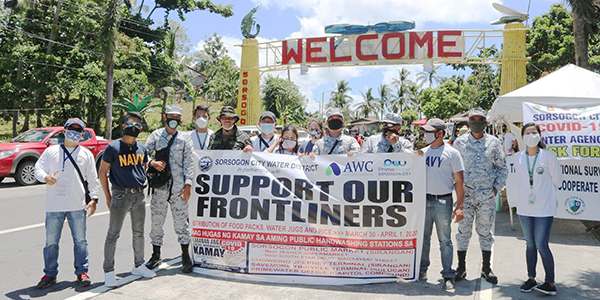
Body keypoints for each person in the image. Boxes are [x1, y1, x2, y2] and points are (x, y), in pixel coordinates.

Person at [34, 118, 100, 288]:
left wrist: (94, 199)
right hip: (54, 205)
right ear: (64, 131)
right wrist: (45, 177)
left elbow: (93, 179)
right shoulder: (51, 151)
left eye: (79, 130)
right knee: (51, 242)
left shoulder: (86, 154)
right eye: (71, 129)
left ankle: (82, 272)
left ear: (83, 134)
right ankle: (49, 274)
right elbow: (38, 169)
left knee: (80, 241)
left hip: (77, 205)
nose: (75, 133)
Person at [99, 112, 156, 287]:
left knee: (139, 232)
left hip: (139, 194)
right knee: (113, 234)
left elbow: (143, 168)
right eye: (130, 123)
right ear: (123, 126)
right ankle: (109, 271)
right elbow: (102, 173)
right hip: (120, 194)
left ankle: (139, 264)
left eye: (138, 124)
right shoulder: (113, 147)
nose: (134, 127)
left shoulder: (142, 148)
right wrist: (108, 197)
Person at [452, 108, 507, 284]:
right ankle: (461, 268)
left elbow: (502, 168)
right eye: (473, 119)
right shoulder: (459, 143)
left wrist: (495, 190)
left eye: (480, 119)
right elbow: (453, 169)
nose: (476, 121)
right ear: (468, 123)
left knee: (485, 232)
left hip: (486, 196)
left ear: (485, 122)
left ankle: (486, 268)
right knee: (463, 232)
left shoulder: (494, 142)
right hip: (465, 196)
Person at [144, 104, 195, 273]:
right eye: (171, 117)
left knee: (181, 223)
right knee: (157, 222)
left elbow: (189, 162)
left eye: (177, 118)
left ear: (180, 120)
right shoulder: (156, 135)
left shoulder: (185, 138)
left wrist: (188, 185)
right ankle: (155, 254)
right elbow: (142, 154)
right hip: (159, 187)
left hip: (179, 188)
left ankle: (185, 256)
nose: (174, 120)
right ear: (165, 117)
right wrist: (151, 162)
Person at [515, 123, 561, 296]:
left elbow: (557, 180)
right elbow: (521, 180)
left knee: (542, 244)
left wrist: (544, 194)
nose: (531, 135)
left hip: (544, 209)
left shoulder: (548, 157)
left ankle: (550, 282)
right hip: (525, 208)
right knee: (530, 244)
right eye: (527, 133)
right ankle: (531, 278)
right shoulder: (518, 157)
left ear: (540, 135)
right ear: (522, 137)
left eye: (534, 133)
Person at [418, 118, 465, 290]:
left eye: (430, 131)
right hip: (424, 200)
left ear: (440, 133)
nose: (426, 134)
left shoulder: (452, 153)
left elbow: (459, 181)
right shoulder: (422, 152)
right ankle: (422, 271)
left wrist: (459, 206)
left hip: (443, 200)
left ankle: (447, 275)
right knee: (423, 238)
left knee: (445, 240)